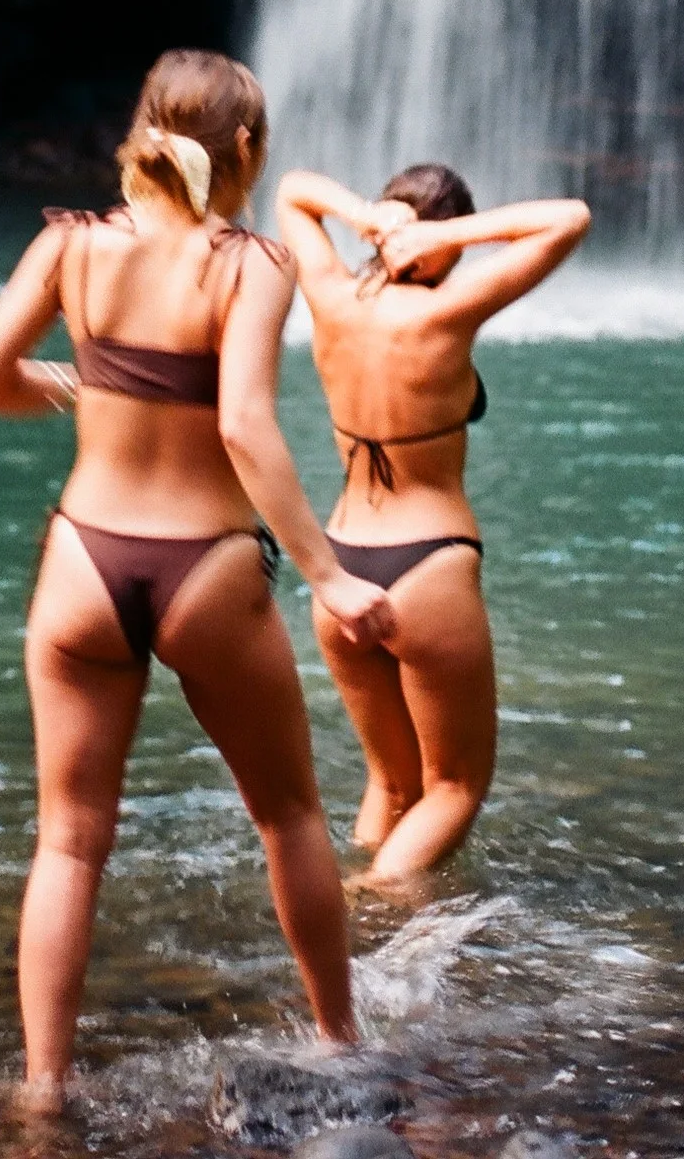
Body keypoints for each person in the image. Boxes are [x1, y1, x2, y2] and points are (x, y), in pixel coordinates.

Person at [0, 50, 397, 1110]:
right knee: (288, 816)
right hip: (203, 566)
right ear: (246, 150)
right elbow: (242, 422)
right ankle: (339, 1040)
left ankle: (44, 1087)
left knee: (66, 839)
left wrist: (73, 383)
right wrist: (330, 576)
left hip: (81, 560)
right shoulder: (249, 264)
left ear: (143, 127)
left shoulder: (69, 244)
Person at [275, 164, 590, 881]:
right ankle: (371, 898)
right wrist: (447, 234)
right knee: (453, 788)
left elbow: (292, 188)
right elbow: (569, 216)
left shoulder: (328, 295)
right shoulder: (449, 309)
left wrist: (367, 218)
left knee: (392, 785)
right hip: (428, 567)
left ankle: (358, 934)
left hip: (340, 568)